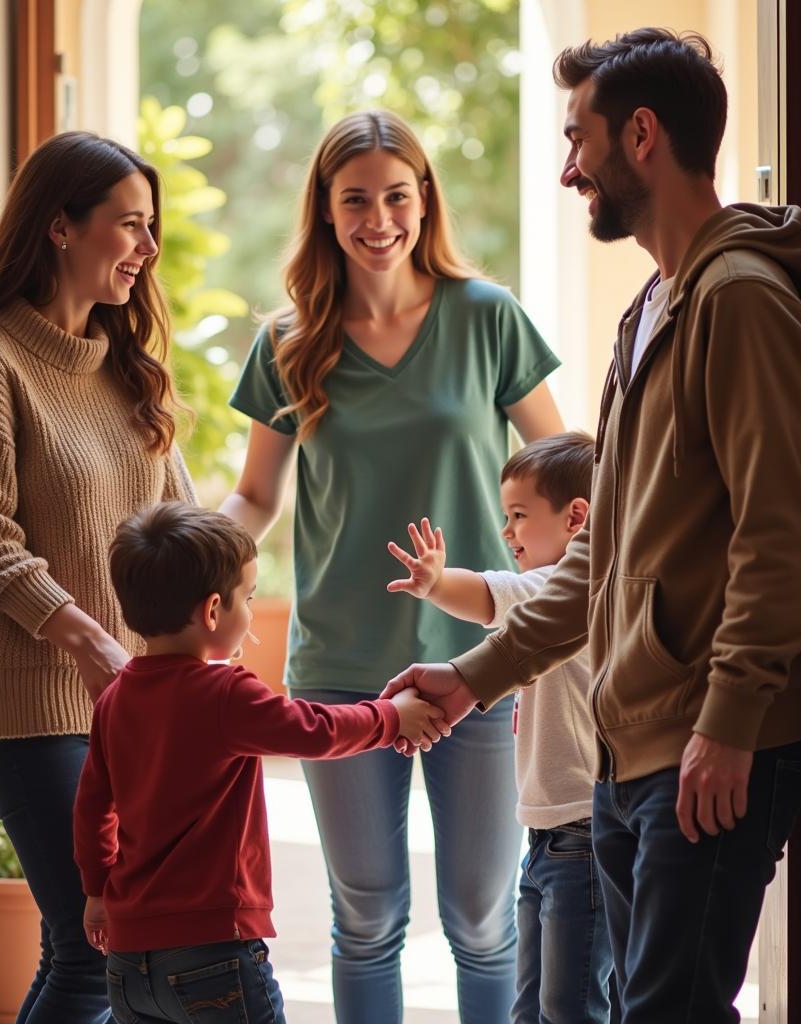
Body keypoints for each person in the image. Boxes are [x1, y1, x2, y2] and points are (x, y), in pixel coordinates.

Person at [384, 29, 801, 1024]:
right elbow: (598, 556)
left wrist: (728, 719)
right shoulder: (647, 312)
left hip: (705, 747)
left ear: (639, 135)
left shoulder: (743, 300)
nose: (565, 166)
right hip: (626, 753)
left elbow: (780, 535)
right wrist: (473, 676)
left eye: (576, 137)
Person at [221, 109, 564, 1023]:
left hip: (480, 659)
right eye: (356, 200)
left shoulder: (488, 318)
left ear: (425, 201)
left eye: (397, 196)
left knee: (484, 916)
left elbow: (572, 471)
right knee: (366, 915)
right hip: (339, 662)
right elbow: (256, 496)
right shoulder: (291, 341)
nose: (380, 219)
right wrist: (205, 555)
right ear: (326, 212)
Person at [0, 131, 197, 1023]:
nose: (147, 249)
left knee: (96, 951)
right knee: (94, 949)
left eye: (150, 227)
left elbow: (184, 531)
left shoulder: (128, 371)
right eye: (129, 226)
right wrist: (85, 637)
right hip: (38, 705)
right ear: (59, 227)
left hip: (137, 702)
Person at [73, 501, 449, 1024]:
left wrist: (97, 891)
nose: (250, 612)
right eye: (247, 598)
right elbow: (314, 729)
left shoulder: (115, 698)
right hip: (213, 955)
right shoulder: (225, 692)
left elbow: (93, 808)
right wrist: (391, 716)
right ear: (212, 611)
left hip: (129, 962)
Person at [387, 431, 616, 1024]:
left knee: (570, 1009)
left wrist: (437, 584)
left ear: (576, 518)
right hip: (546, 838)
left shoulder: (565, 589)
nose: (507, 532)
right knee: (537, 1007)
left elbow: (491, 596)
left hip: (580, 837)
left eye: (519, 516)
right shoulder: (556, 596)